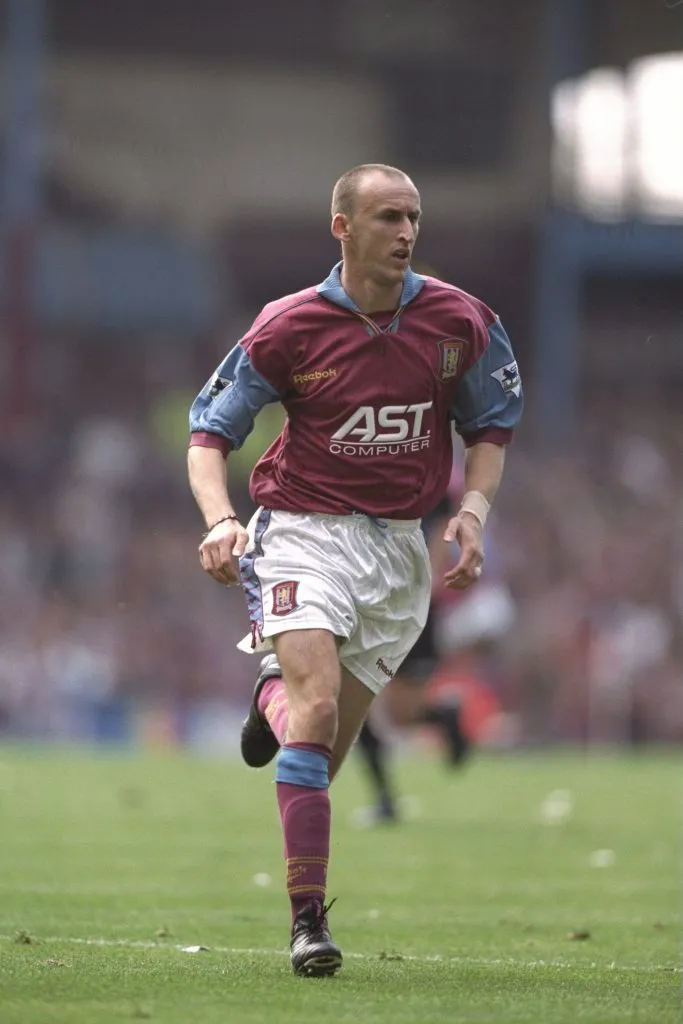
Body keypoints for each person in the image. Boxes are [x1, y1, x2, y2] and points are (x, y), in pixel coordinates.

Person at [187, 163, 523, 977]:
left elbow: (489, 428)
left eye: (412, 217)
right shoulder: (287, 326)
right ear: (341, 227)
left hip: (399, 554)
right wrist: (222, 521)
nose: (405, 233)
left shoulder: (460, 321)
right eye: (386, 218)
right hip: (302, 531)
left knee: (321, 751)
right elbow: (209, 434)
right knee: (320, 704)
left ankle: (269, 701)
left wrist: (472, 513)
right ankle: (308, 922)